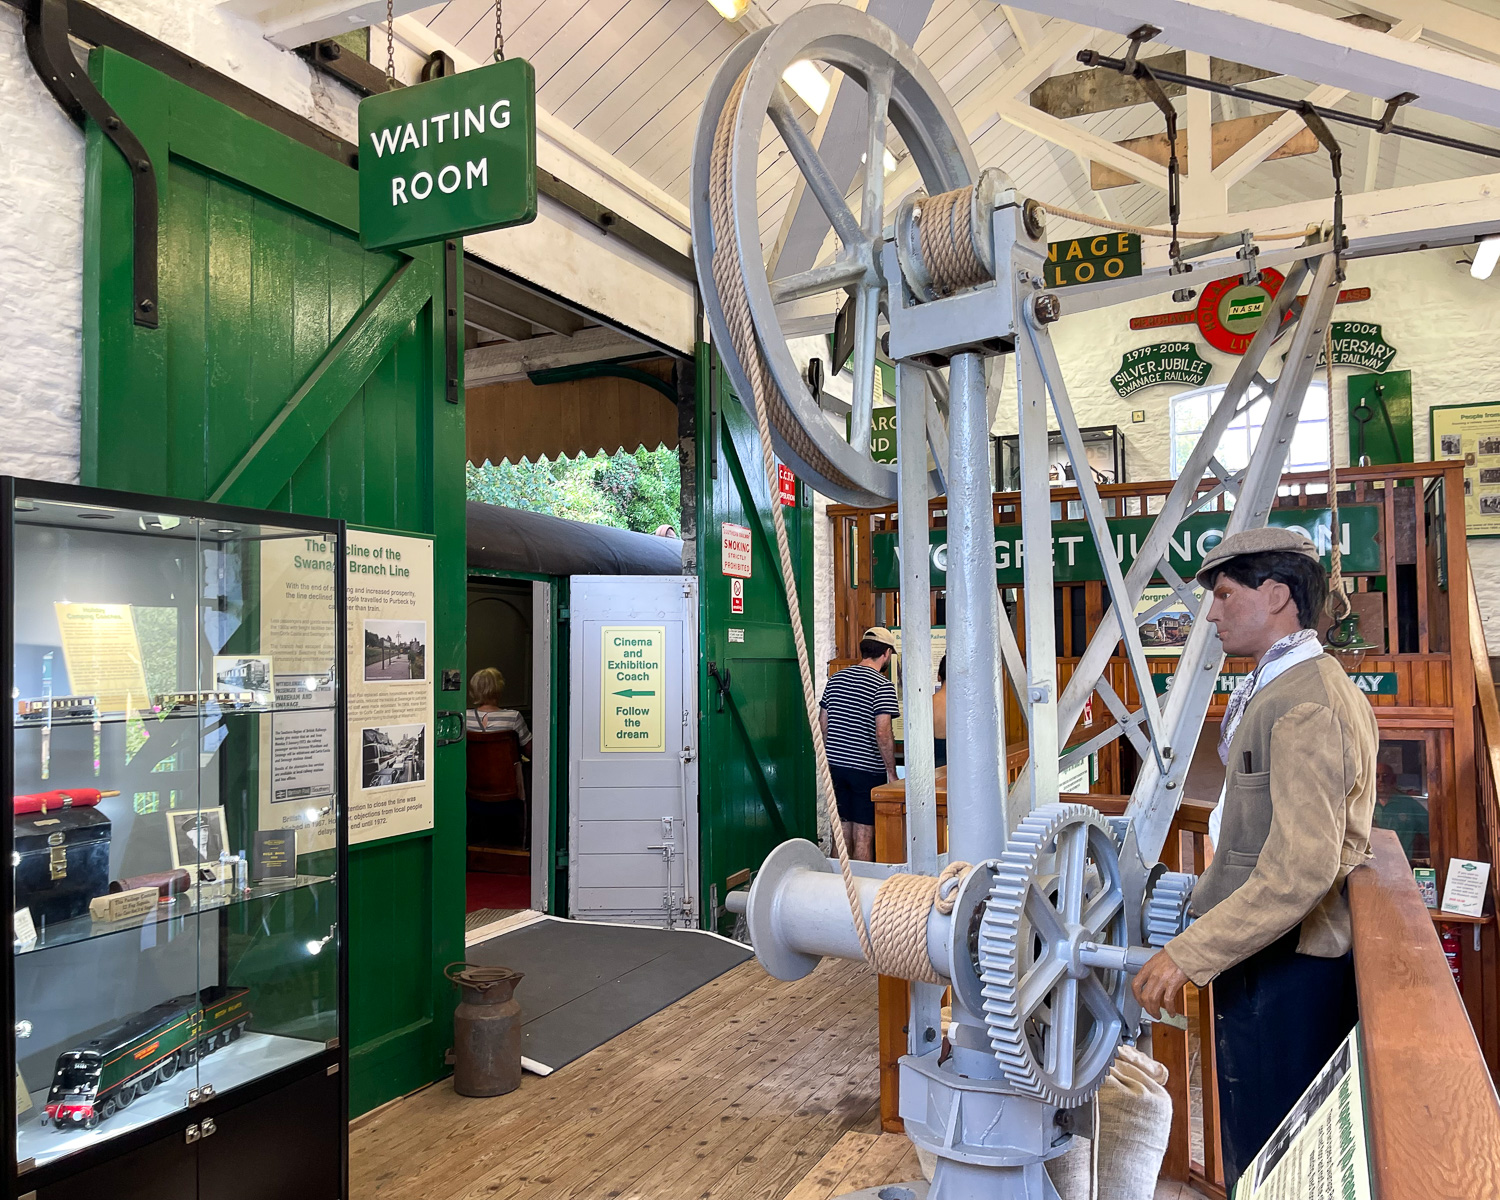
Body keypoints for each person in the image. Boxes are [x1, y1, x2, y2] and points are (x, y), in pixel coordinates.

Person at [1131, 527, 1378, 1192]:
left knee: (1273, 1161)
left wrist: (1188, 951)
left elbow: (1299, 870)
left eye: (1226, 594)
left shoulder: (1305, 705)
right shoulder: (1294, 687)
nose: (1211, 612)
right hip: (1270, 960)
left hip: (1284, 974)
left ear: (1275, 596)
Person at [819, 627, 900, 861]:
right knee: (864, 835)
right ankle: (860, 894)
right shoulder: (882, 686)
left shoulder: (836, 679)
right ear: (886, 654)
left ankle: (835, 888)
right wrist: (891, 771)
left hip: (837, 767)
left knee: (840, 832)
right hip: (867, 770)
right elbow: (883, 733)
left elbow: (823, 724)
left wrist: (830, 760)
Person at [466, 667, 531, 747]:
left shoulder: (465, 717)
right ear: (499, 687)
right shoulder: (513, 717)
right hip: (505, 759)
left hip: (474, 760)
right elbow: (530, 750)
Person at [932, 655, 948, 769]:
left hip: (933, 761)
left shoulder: (928, 703)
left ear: (939, 676)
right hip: (961, 764)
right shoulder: (967, 707)